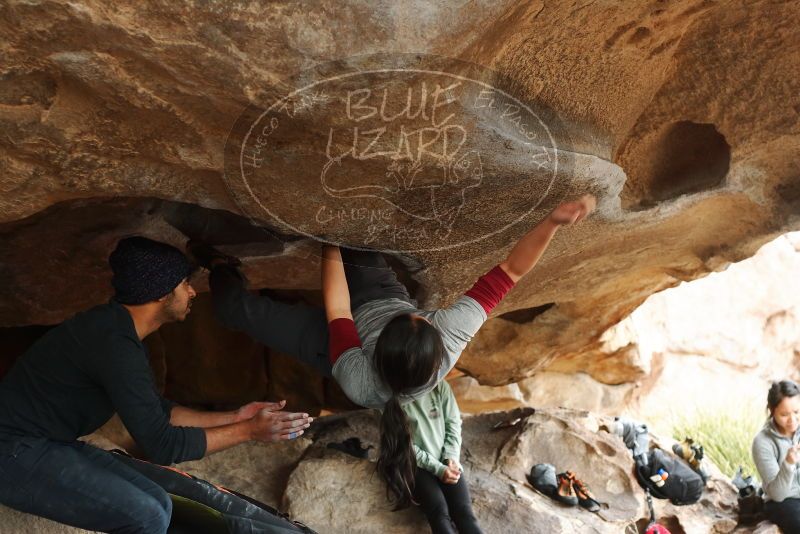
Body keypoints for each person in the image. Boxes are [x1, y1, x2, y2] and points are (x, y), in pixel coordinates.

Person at [201, 194, 595, 508]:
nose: (423, 314)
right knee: (351, 219)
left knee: (233, 309)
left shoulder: (359, 381)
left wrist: (329, 243)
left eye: (417, 317)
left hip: (333, 345)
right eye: (421, 318)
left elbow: (339, 310)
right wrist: (552, 223)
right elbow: (511, 271)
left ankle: (219, 265)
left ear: (381, 345)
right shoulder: (450, 334)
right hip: (379, 298)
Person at [0, 236, 312, 534]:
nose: (192, 293)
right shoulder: (113, 345)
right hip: (13, 452)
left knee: (161, 503)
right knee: (146, 516)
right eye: (184, 284)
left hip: (45, 443)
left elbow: (158, 412)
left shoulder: (115, 330)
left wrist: (239, 417)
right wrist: (249, 432)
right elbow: (161, 444)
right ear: (162, 292)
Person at [402, 380, 481, 533]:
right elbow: (403, 446)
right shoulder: (387, 399)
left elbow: (453, 423)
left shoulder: (439, 385)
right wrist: (438, 469)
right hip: (412, 464)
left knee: (464, 513)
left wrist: (451, 458)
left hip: (444, 459)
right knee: (439, 512)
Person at [752, 379, 800, 533]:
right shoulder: (762, 442)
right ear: (772, 411)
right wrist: (788, 463)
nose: (792, 420)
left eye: (797, 412)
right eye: (784, 415)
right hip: (782, 501)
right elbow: (778, 495)